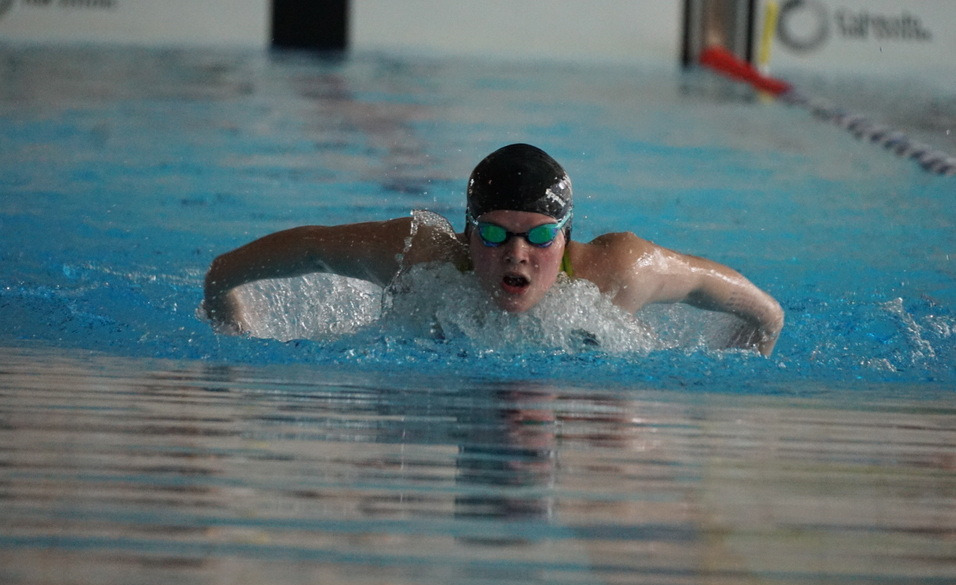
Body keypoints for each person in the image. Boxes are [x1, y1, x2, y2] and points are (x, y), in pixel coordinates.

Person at [204, 143, 784, 355]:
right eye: (493, 233)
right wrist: (235, 339)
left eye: (538, 236)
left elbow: (765, 313)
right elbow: (238, 269)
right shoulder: (420, 255)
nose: (516, 254)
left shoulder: (618, 274)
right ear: (465, 233)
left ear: (566, 237)